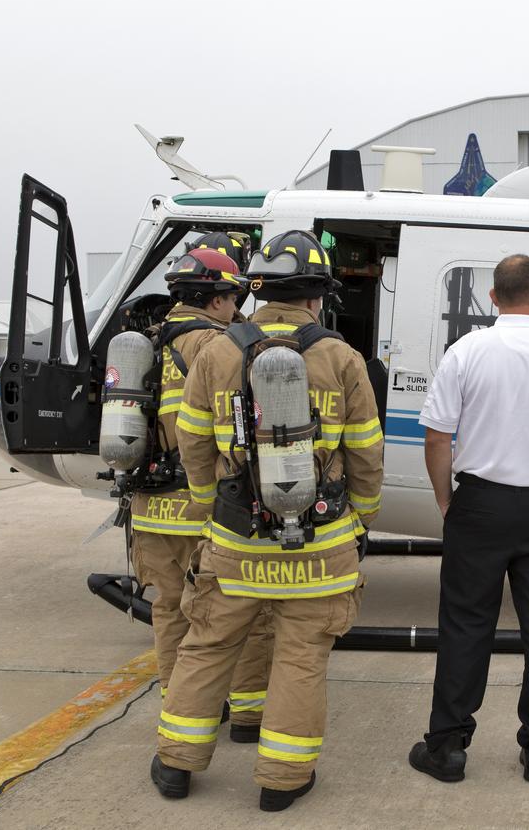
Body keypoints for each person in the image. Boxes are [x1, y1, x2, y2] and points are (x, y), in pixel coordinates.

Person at [151, 230, 384, 811]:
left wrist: (208, 504)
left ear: (260, 290)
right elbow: (366, 452)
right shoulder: (342, 357)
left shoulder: (218, 352)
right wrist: (363, 518)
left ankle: (177, 763)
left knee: (206, 645)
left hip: (234, 542)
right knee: (301, 658)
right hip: (320, 547)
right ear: (317, 297)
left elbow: (193, 442)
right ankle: (281, 781)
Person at [408, 254, 529, 784]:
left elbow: (436, 435)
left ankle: (448, 746)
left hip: (479, 503)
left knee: (466, 624)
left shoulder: (467, 351)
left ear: (493, 298)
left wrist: (447, 502)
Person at [128, 235, 270, 742]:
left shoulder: (146, 342)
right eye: (233, 298)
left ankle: (180, 705)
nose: (237, 308)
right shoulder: (217, 347)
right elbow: (233, 428)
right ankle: (247, 714)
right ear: (215, 300)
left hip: (148, 504)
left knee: (168, 610)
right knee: (237, 609)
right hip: (200, 502)